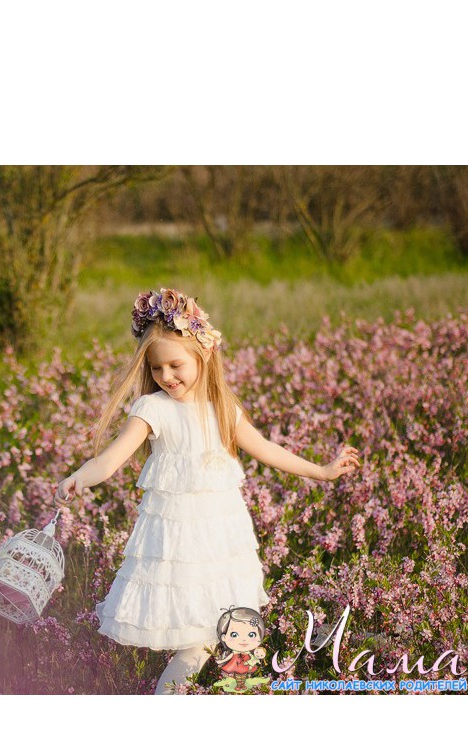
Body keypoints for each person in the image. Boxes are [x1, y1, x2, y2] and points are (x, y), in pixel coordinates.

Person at [55, 288, 360, 694]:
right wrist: (80, 476)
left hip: (221, 546)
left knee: (212, 635)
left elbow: (266, 449)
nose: (166, 376)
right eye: (157, 368)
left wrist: (321, 471)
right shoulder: (153, 409)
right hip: (179, 550)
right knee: (198, 639)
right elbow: (110, 459)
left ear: (203, 355)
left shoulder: (223, 409)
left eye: (175, 365)